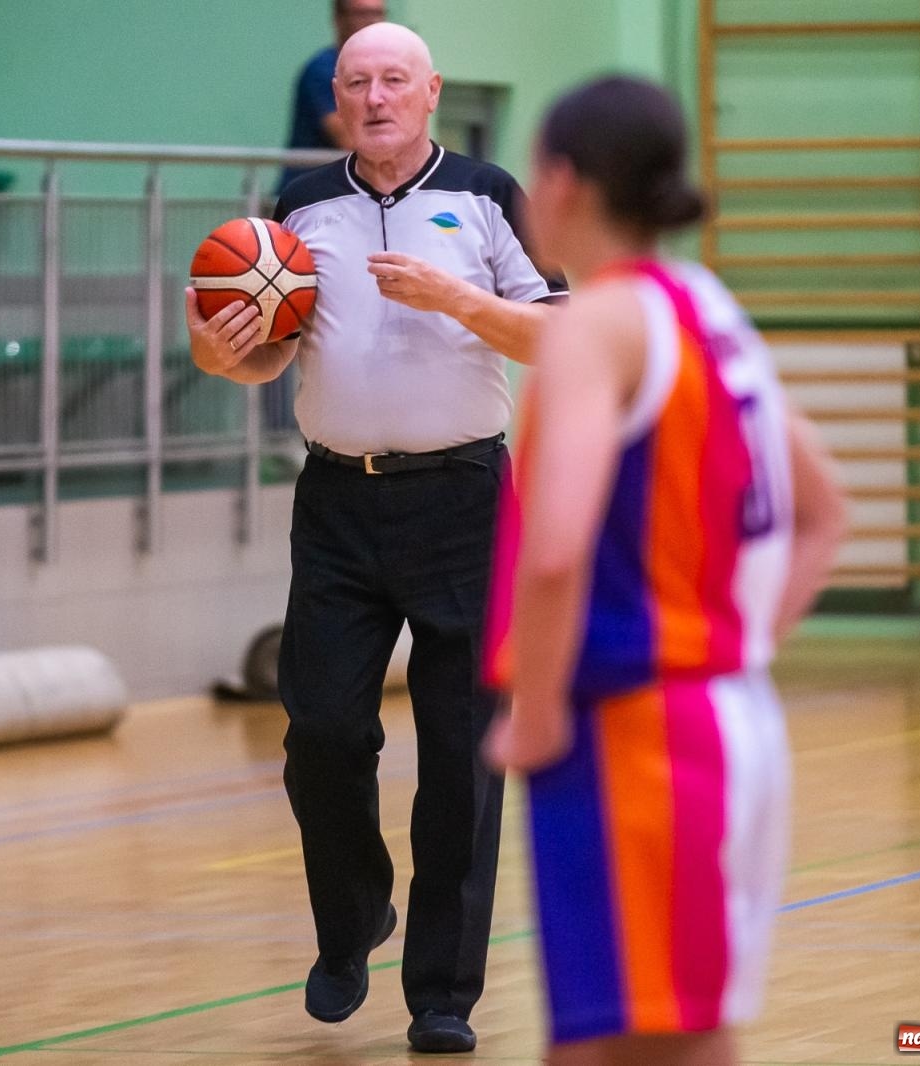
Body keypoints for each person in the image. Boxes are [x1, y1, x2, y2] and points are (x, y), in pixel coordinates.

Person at [185, 22, 564, 1055]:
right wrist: (218, 356)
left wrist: (458, 298)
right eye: (357, 82)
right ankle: (352, 917)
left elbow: (560, 334)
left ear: (430, 90)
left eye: (394, 78)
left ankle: (442, 994)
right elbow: (267, 358)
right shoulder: (300, 206)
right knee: (320, 735)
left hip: (466, 504)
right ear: (338, 100)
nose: (376, 95)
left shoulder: (487, 194)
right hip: (338, 507)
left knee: (459, 758)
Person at [482, 76, 848, 1066]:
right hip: (721, 720)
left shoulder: (595, 326)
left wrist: (543, 706)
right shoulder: (704, 307)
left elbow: (555, 547)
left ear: (560, 183)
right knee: (656, 1040)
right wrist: (733, 647)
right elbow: (823, 514)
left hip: (635, 737)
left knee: (634, 1043)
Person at [277, 0, 387, 194]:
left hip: (347, 195)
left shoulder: (383, 71)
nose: (372, 22)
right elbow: (350, 139)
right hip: (307, 199)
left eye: (377, 14)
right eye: (362, 14)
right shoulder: (322, 70)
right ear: (339, 19)